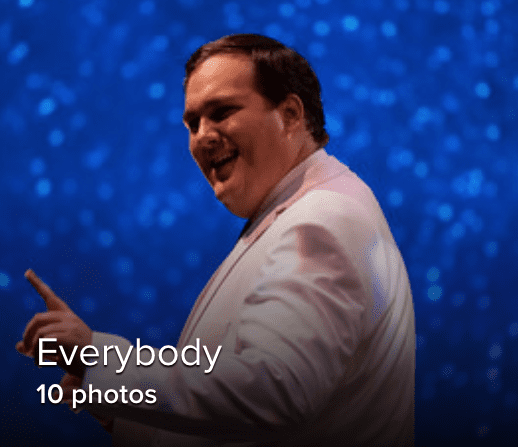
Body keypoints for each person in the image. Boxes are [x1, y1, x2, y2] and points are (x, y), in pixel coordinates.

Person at [17, 34, 416, 446]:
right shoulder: (299, 212)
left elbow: (271, 392)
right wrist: (109, 395)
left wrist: (101, 359)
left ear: (291, 114)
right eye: (192, 123)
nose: (203, 137)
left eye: (222, 112)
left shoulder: (321, 220)